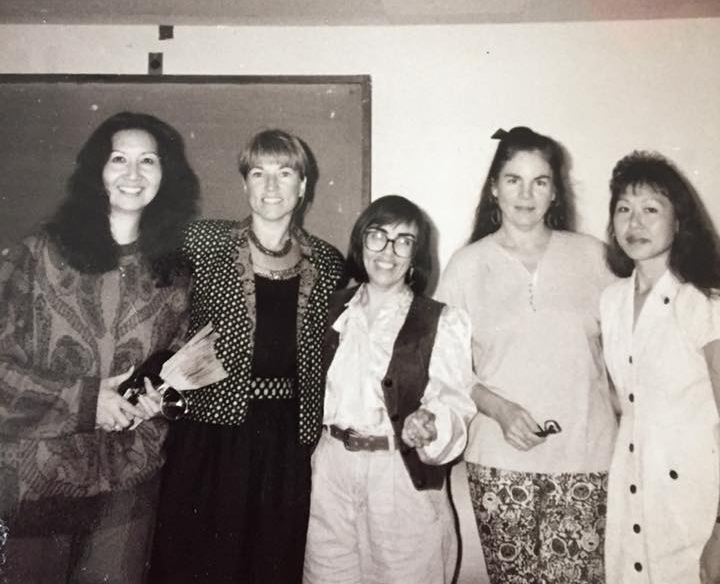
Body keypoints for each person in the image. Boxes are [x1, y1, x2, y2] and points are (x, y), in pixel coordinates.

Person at [0, 111, 199, 583]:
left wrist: (160, 400)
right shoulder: (36, 256)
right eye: (118, 159)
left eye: (148, 160)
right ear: (96, 171)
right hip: (38, 479)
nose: (133, 174)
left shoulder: (174, 274)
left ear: (164, 176)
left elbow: (174, 366)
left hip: (129, 482)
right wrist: (89, 402)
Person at [149, 129, 345, 584]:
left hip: (286, 436)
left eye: (284, 173)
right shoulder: (202, 242)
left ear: (304, 186)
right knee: (197, 562)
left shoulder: (329, 263)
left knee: (271, 561)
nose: (271, 186)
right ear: (244, 184)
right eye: (258, 173)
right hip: (209, 433)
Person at [436, 127, 618, 583]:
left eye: (540, 181)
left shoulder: (595, 258)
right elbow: (444, 367)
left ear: (555, 192)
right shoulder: (466, 265)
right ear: (494, 187)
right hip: (499, 462)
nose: (526, 193)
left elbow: (626, 356)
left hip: (586, 459)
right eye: (513, 179)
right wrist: (497, 408)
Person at [303, 195, 476, 584]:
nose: (388, 251)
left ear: (416, 254)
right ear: (360, 242)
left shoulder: (440, 321)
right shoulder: (328, 311)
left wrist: (431, 423)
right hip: (331, 472)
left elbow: (454, 402)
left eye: (404, 241)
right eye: (377, 236)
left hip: (400, 478)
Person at [600, 151, 720, 584]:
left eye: (651, 209)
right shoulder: (611, 301)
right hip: (631, 487)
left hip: (695, 499)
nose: (635, 223)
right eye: (623, 209)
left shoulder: (704, 302)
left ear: (679, 220)